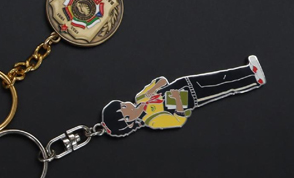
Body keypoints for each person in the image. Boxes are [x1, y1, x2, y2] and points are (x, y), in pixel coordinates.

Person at [101, 55, 265, 136]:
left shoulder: (140, 98)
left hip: (185, 83)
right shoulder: (151, 120)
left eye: (122, 103)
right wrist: (178, 102)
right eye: (123, 107)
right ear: (127, 121)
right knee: (225, 88)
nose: (125, 103)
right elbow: (178, 120)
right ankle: (254, 81)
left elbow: (162, 80)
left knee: (220, 77)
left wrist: (153, 89)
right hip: (192, 97)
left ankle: (249, 70)